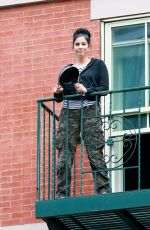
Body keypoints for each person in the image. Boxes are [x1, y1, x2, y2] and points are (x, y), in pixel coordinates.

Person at [53, 28, 110, 198]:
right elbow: (60, 98)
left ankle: (103, 189)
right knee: (64, 152)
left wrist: (87, 90)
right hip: (69, 113)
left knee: (94, 148)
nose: (80, 47)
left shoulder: (98, 65)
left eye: (83, 44)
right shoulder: (67, 69)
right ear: (73, 47)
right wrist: (57, 92)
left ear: (88, 46)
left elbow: (105, 89)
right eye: (77, 44)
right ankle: (62, 193)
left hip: (89, 109)